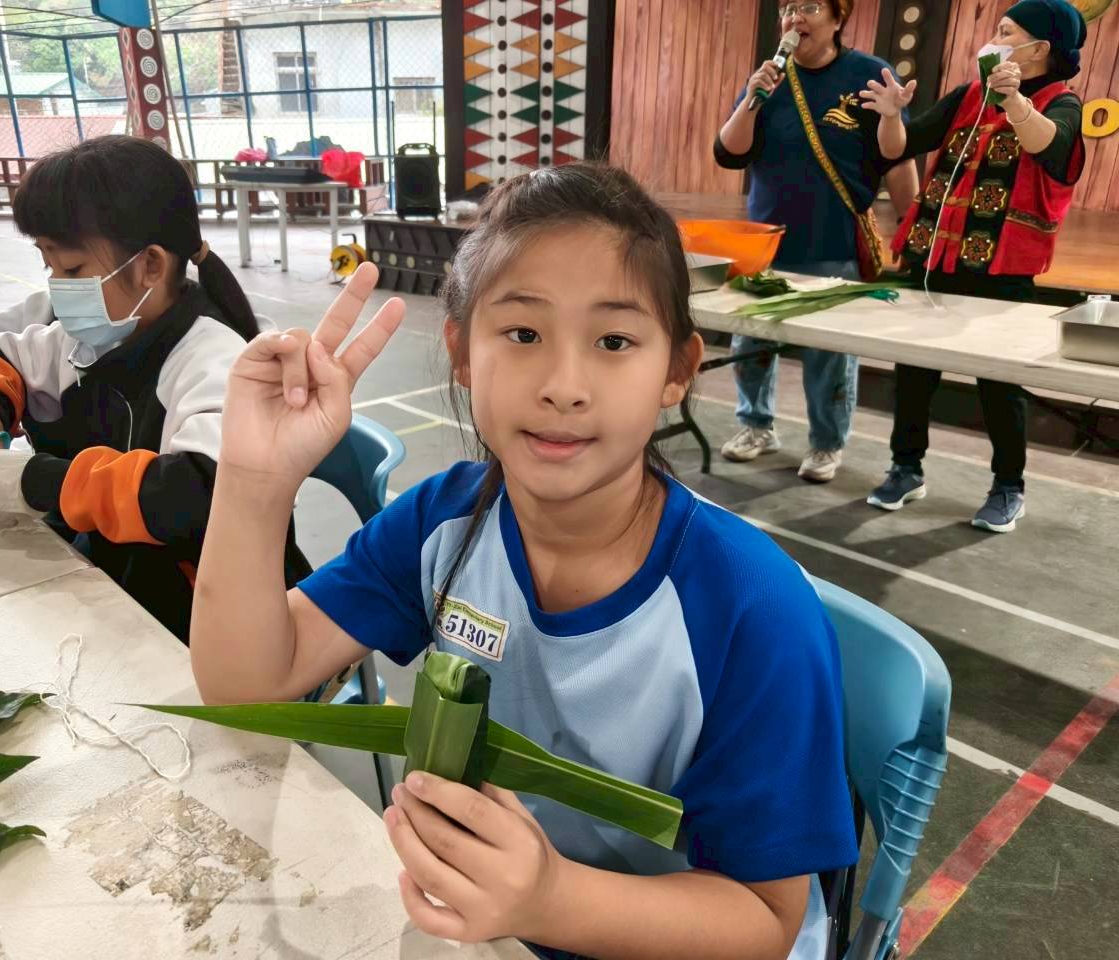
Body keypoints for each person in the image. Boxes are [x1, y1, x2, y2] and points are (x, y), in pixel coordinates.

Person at [190, 165, 856, 960]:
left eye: (614, 341)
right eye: (523, 334)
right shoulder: (443, 522)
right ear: (462, 352)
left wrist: (551, 899)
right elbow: (247, 685)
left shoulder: (754, 610)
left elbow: (767, 922)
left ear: (677, 370)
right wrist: (254, 483)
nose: (563, 387)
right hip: (504, 927)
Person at [0, 135, 311, 638]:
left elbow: (202, 495)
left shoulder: (215, 359)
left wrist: (40, 482)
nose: (57, 287)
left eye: (73, 269)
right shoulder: (76, 341)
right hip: (121, 592)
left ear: (150, 265)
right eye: (50, 266)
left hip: (215, 623)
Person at [860, 0, 1087, 532]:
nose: (994, 39)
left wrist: (1014, 101)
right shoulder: (968, 96)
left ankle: (1008, 487)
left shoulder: (1061, 102)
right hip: (933, 259)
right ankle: (906, 467)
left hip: (1000, 271)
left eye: (1007, 31)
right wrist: (891, 115)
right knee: (914, 372)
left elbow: (1051, 147)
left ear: (1040, 48)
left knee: (998, 386)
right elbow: (901, 147)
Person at [715, 0, 919, 483]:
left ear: (837, 18)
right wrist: (753, 98)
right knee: (751, 344)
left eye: (808, 6)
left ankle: (827, 443)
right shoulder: (769, 77)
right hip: (766, 242)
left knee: (829, 356)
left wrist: (913, 229)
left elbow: (897, 158)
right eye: (788, 7)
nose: (794, 17)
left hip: (833, 241)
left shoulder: (868, 74)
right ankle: (755, 425)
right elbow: (729, 152)